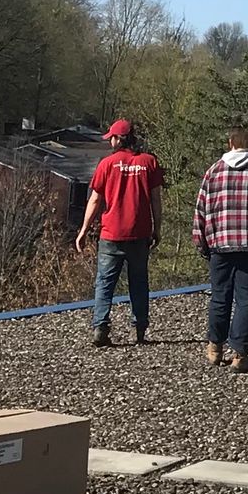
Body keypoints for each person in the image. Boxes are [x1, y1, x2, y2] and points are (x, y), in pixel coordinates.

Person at [191, 122, 248, 373]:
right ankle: (240, 353)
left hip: (220, 242)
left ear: (230, 143)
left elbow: (201, 208)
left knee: (220, 296)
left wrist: (201, 240)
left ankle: (214, 348)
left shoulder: (215, 171)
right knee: (246, 299)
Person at [75, 119, 165, 348]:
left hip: (111, 233)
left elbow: (95, 200)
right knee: (139, 282)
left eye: (112, 138)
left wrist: (83, 230)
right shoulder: (149, 163)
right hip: (139, 232)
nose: (110, 141)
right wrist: (157, 228)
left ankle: (101, 327)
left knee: (105, 283)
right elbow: (156, 199)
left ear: (119, 139)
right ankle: (140, 329)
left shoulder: (107, 164)